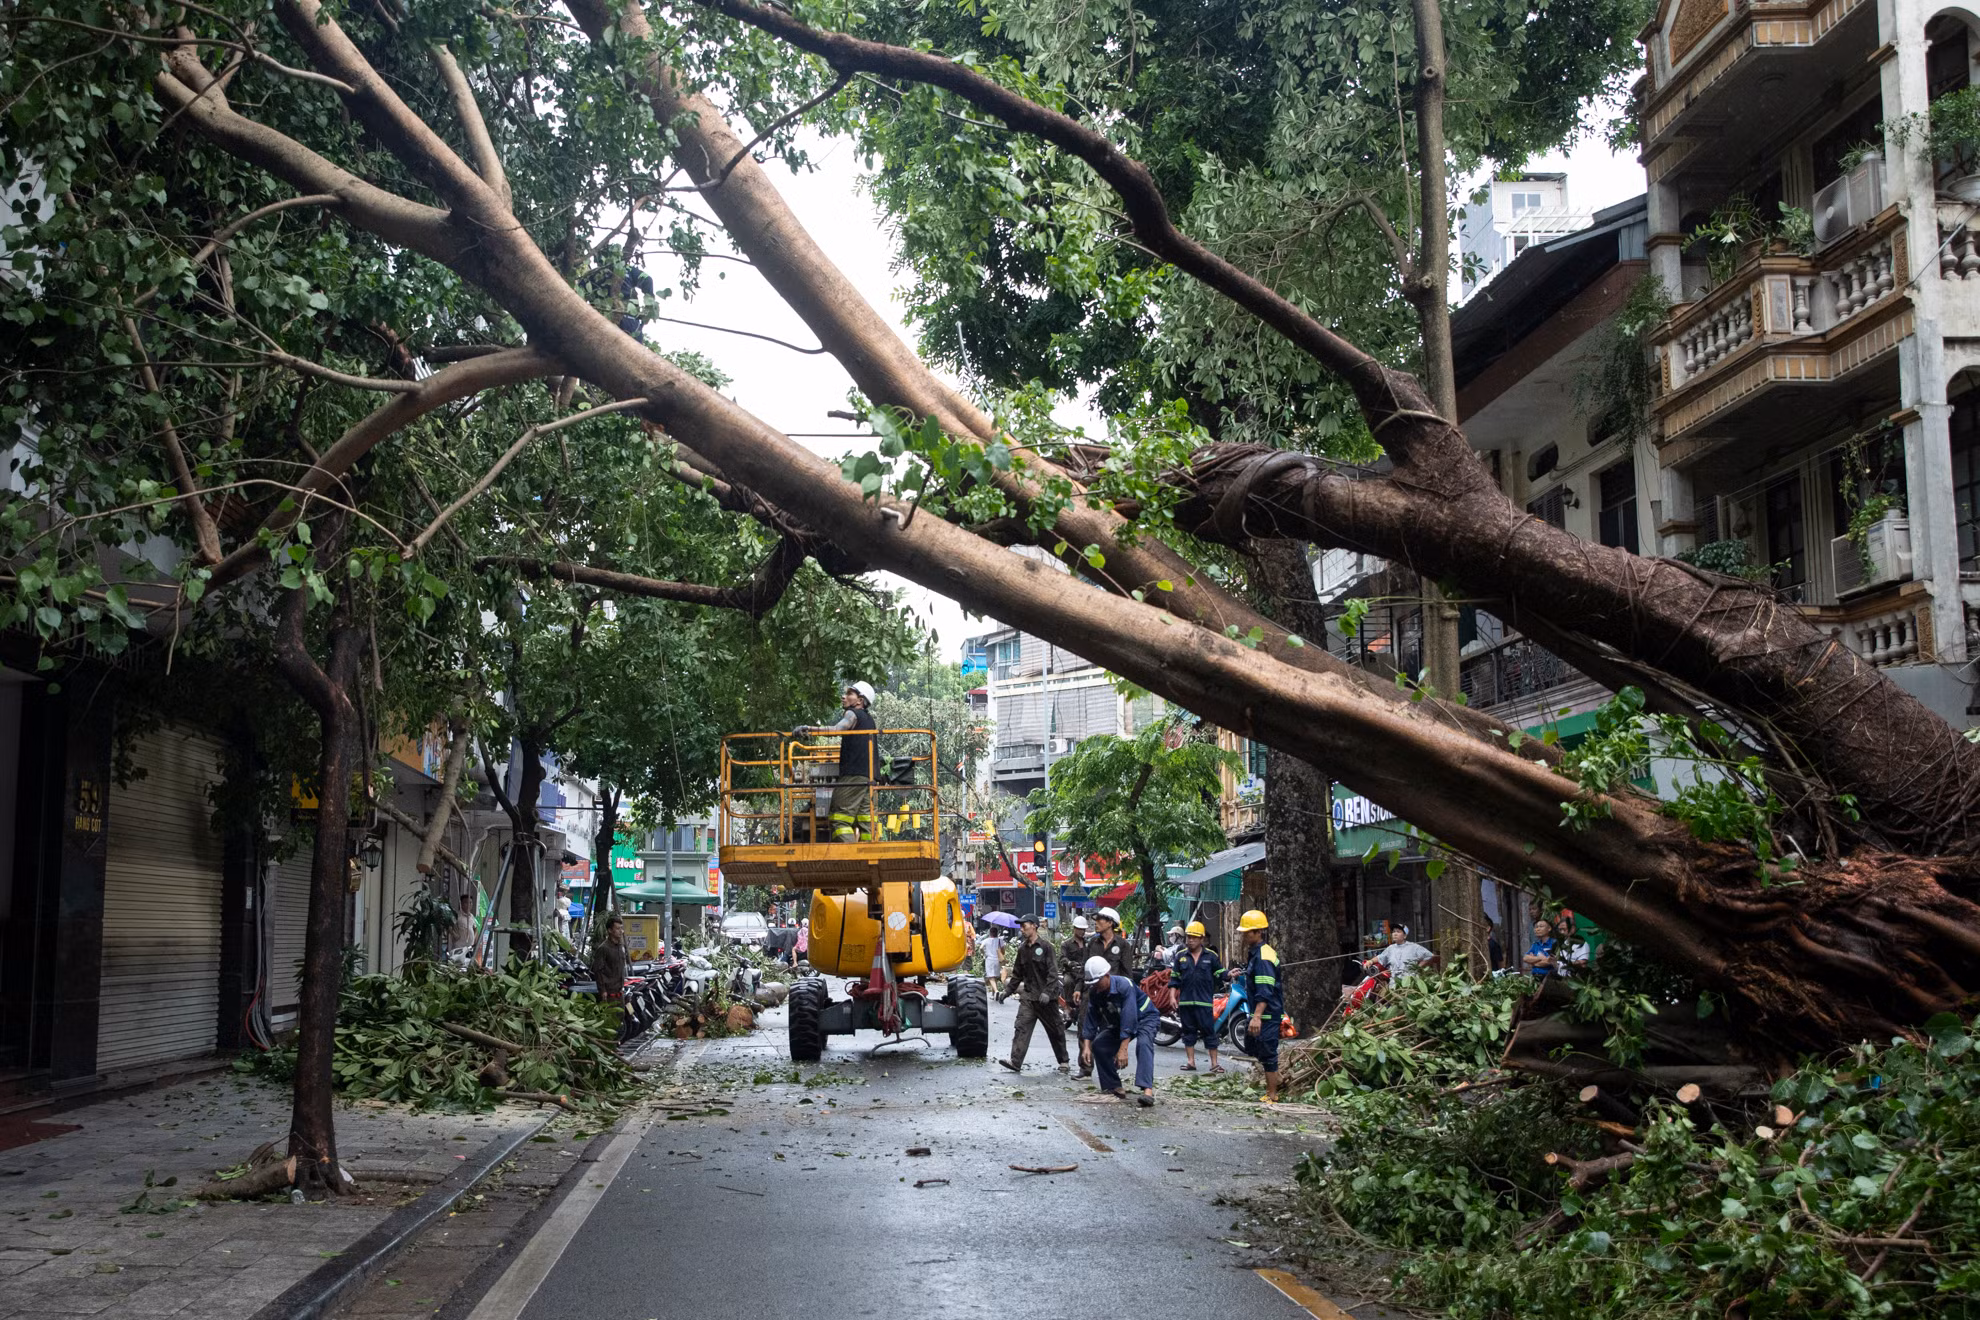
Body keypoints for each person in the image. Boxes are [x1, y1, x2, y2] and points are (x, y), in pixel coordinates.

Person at [797, 681, 880, 842]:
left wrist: (809, 729)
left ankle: (851, 858)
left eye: (849, 693)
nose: (844, 696)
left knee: (838, 819)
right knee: (866, 822)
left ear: (860, 701)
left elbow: (837, 729)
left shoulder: (853, 714)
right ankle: (869, 855)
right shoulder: (869, 720)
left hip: (854, 776)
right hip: (871, 778)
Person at [1080, 955, 1160, 1106]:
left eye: (1098, 982)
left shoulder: (1125, 986)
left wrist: (1123, 1049)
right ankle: (1113, 1086)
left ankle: (1147, 1091)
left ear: (1107, 975)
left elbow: (1129, 1017)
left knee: (1143, 1044)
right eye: (1093, 983)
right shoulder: (1095, 992)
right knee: (1099, 1045)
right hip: (1119, 1022)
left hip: (1145, 1018)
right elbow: (1091, 1018)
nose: (1096, 985)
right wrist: (1086, 1046)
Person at [998, 914, 1069, 1073]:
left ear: (1035, 926)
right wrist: (1007, 991)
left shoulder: (1046, 947)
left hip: (1046, 1000)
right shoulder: (1022, 949)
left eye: (1025, 926)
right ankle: (1015, 1061)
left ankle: (1063, 1060)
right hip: (1029, 997)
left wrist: (1048, 992)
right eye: (1021, 926)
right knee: (1021, 1027)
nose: (1022, 929)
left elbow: (1053, 973)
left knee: (1056, 1030)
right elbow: (1017, 975)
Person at [1237, 909, 1284, 1103]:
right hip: (1260, 1012)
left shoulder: (1264, 957)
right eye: (1245, 932)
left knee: (1268, 1051)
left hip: (1268, 1014)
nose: (1245, 936)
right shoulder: (1256, 953)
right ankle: (1277, 1078)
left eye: (1249, 932)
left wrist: (1257, 1016)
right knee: (1253, 1046)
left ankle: (1272, 1094)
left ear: (1258, 932)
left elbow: (1265, 991)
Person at [1171, 920, 1223, 1074]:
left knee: (1209, 1032)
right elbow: (1174, 979)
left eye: (1194, 937)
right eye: (1188, 937)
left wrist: (1229, 974)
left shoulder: (1211, 956)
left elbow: (1220, 973)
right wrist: (1172, 997)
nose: (1190, 940)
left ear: (1201, 939)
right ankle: (1190, 1062)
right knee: (1188, 1032)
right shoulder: (1180, 956)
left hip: (1204, 1002)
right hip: (1186, 1002)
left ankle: (1214, 1064)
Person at [1061, 915, 1095, 1075]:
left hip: (1085, 974)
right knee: (1068, 982)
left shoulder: (1089, 944)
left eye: (1083, 929)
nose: (1081, 932)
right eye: (1079, 929)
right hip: (1072, 972)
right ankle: (1068, 1006)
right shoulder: (1066, 944)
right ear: (1074, 929)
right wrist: (1069, 964)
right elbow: (1062, 959)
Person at [590, 915, 631, 1041]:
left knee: (620, 1017)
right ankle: (609, 1045)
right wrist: (602, 990)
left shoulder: (621, 947)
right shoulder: (604, 948)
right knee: (609, 1020)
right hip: (609, 991)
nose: (620, 931)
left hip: (619, 990)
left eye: (621, 928)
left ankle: (615, 1043)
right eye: (617, 928)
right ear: (610, 930)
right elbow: (598, 970)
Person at [1363, 924, 1437, 980]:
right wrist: (1370, 961)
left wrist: (1418, 967)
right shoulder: (1390, 949)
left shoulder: (1414, 947)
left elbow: (1430, 956)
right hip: (1394, 983)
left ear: (1404, 936)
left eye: (1398, 932)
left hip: (1410, 983)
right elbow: (1380, 957)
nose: (1395, 934)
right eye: (1393, 932)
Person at [1091, 907, 1130, 978]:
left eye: (1099, 919)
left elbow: (1127, 973)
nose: (1096, 923)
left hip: (1114, 987)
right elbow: (1084, 967)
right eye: (1096, 920)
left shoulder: (1123, 944)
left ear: (1110, 923)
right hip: (1093, 986)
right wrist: (1078, 988)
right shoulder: (1092, 942)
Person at [982, 926, 1005, 993]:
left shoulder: (986, 940)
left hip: (989, 959)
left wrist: (984, 954)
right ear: (997, 933)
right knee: (995, 976)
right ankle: (993, 994)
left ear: (990, 933)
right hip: (997, 960)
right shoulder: (1000, 941)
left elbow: (981, 948)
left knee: (990, 977)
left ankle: (996, 990)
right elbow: (1003, 951)